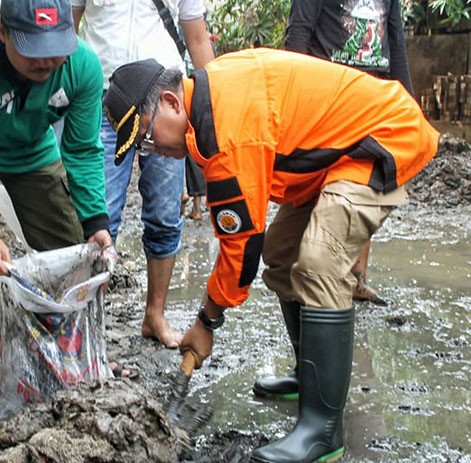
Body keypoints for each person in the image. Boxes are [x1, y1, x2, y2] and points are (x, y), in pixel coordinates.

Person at [102, 50, 438, 462]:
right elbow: (257, 243)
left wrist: (206, 322)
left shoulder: (227, 132)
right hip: (333, 157)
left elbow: (241, 250)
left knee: (318, 263)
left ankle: (321, 432)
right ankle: (309, 376)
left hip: (381, 138)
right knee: (283, 253)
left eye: (148, 139)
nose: (154, 151)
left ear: (172, 104)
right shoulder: (209, 102)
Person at [0, 0, 114, 405]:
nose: (46, 60)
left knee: (71, 248)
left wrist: (96, 220)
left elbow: (82, 150)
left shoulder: (82, 67)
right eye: (33, 46)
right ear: (4, 33)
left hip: (33, 151)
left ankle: (75, 361)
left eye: (55, 45)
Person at [71, 0, 214, 348]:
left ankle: (155, 315)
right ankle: (87, 328)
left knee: (166, 215)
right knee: (98, 216)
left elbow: (196, 37)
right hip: (104, 98)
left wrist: (215, 107)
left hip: (165, 100)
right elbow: (66, 28)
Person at [285, 0, 413, 309]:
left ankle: (357, 277)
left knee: (365, 183)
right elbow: (298, 36)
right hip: (330, 91)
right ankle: (322, 272)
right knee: (328, 190)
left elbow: (394, 41)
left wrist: (409, 106)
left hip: (375, 93)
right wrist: (295, 103)